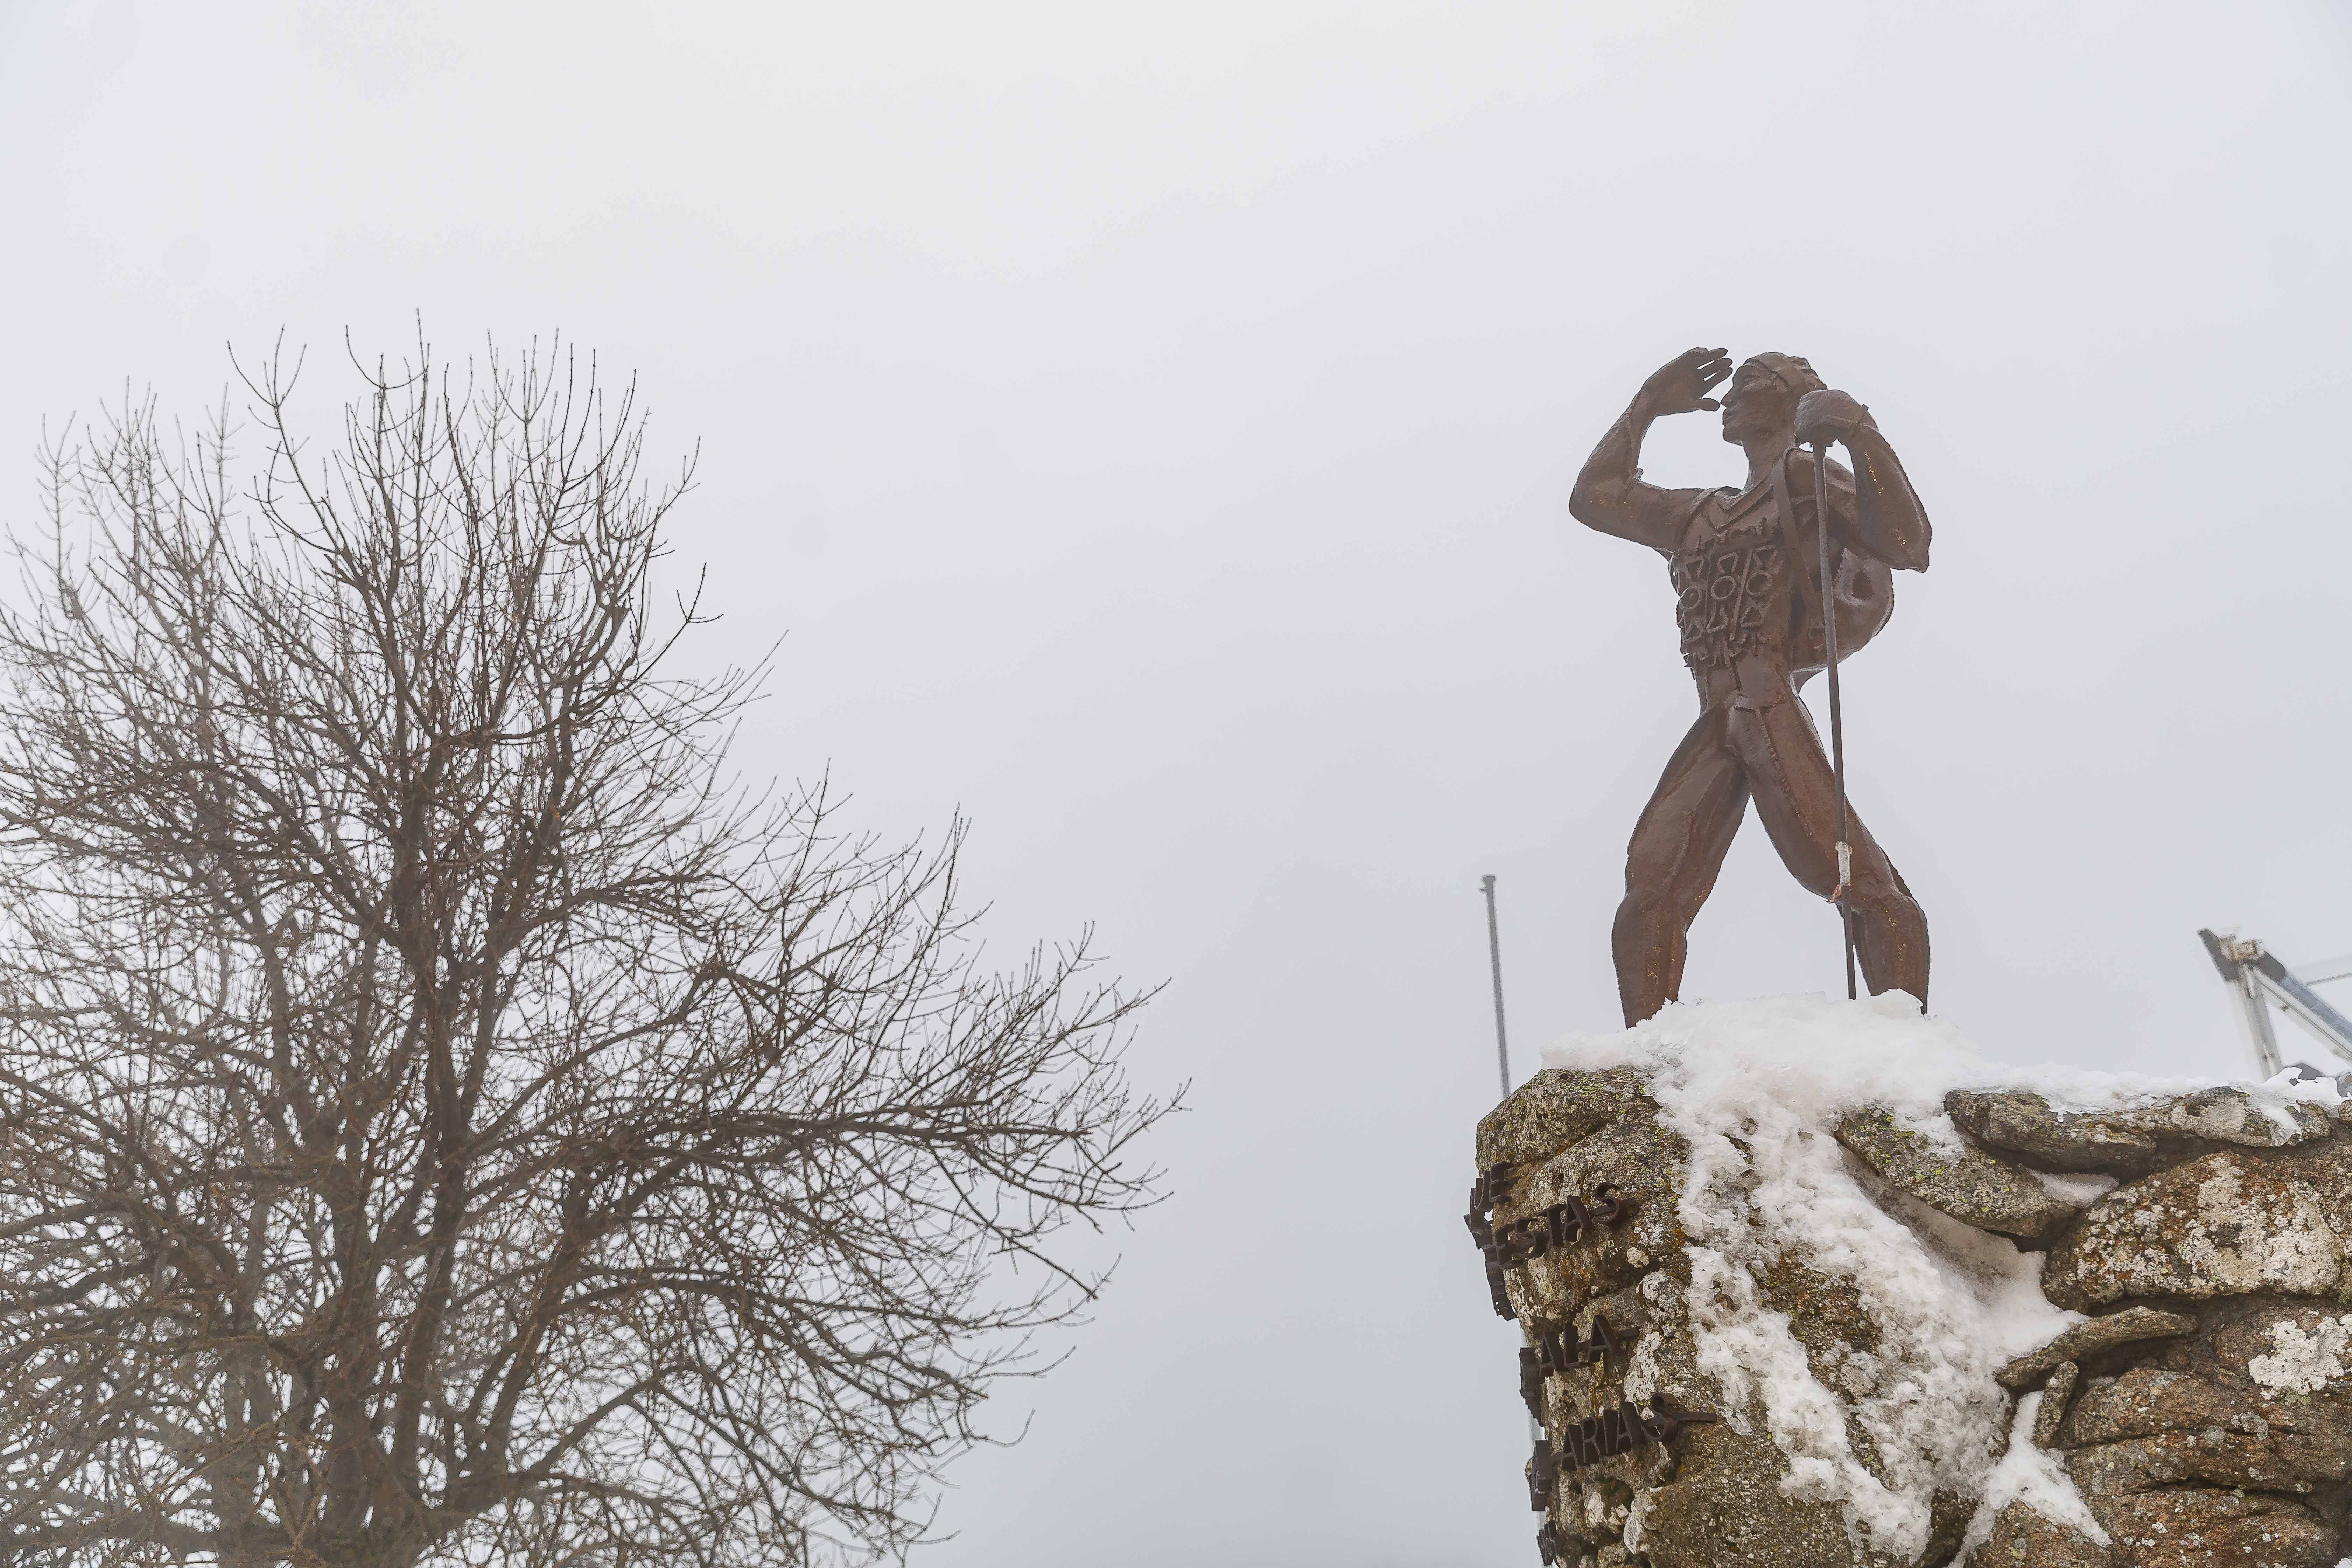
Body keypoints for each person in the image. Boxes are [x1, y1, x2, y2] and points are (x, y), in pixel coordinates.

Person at [1569, 347, 1932, 1026]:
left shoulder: (1806, 478)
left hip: (1766, 704)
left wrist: (1859, 432)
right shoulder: (1700, 515)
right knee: (1651, 884)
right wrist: (1648, 402)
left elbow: (1908, 542)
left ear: (1791, 402)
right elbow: (1595, 498)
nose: (1733, 396)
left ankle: (1908, 1038)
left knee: (1853, 876)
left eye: (1753, 383)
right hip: (1716, 716)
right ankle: (1652, 1058)